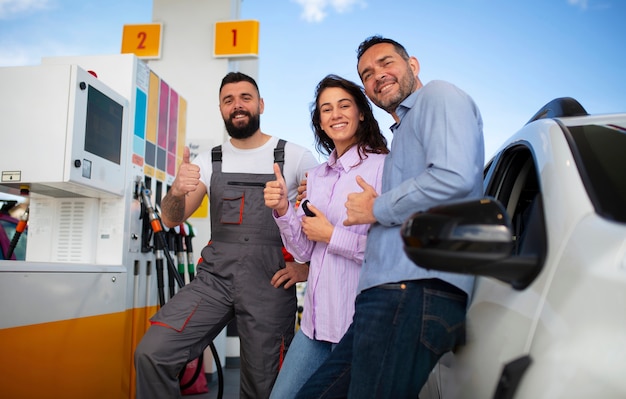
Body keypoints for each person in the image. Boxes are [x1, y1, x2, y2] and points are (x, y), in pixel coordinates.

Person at [296, 36, 485, 398]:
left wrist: (375, 208)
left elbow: (454, 176)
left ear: (412, 65)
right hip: (387, 297)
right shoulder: (405, 134)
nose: (378, 75)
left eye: (386, 63)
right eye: (367, 73)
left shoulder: (439, 96)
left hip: (411, 291)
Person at [134, 71, 319, 399]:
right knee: (153, 352)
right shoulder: (210, 160)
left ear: (261, 104)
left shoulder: (296, 157)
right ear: (221, 109)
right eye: (228, 100)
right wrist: (176, 191)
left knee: (266, 387)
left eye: (245, 97)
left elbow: (323, 222)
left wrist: (306, 269)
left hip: (270, 283)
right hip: (214, 281)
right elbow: (172, 216)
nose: (237, 105)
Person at [264, 74, 389, 399]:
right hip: (315, 325)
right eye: (327, 109)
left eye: (344, 105)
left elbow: (389, 251)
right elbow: (305, 249)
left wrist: (333, 235)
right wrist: (283, 211)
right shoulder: (315, 178)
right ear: (320, 123)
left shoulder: (384, 168)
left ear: (361, 112)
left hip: (359, 327)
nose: (336, 114)